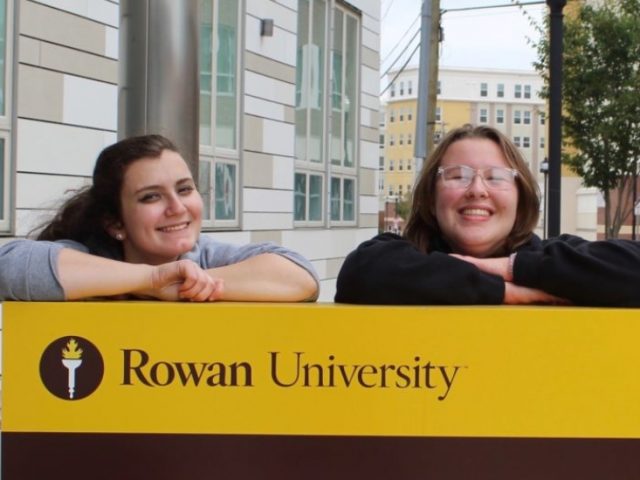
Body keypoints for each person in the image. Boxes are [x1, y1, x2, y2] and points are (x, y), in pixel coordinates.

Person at [335, 124, 640, 306]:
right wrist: (507, 292)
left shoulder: (555, 257)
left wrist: (512, 268)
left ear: (522, 199)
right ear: (431, 197)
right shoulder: (391, 257)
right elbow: (359, 274)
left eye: (496, 177)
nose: (477, 190)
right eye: (457, 176)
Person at [0, 134, 319, 302]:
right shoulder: (91, 256)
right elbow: (10, 266)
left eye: (184, 189)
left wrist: (181, 288)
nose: (177, 207)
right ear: (115, 222)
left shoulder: (209, 258)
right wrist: (151, 281)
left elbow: (300, 276)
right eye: (151, 196)